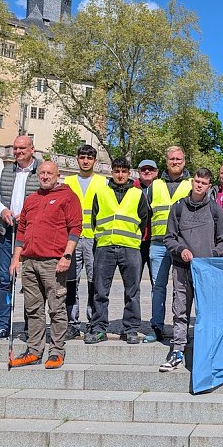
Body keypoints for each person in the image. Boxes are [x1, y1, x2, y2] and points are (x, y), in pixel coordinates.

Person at [8, 162, 82, 369]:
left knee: (56, 308)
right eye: (42, 173)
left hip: (53, 262)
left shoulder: (68, 197)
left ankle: (57, 351)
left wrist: (66, 255)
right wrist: (16, 258)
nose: (45, 176)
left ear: (58, 175)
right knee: (33, 309)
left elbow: (75, 228)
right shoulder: (31, 199)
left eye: (50, 173)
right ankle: (34, 350)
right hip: (30, 261)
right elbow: (21, 231)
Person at [162, 167, 223, 371]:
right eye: (197, 181)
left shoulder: (215, 209)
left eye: (204, 183)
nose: (200, 185)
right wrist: (181, 249)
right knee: (180, 311)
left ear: (209, 186)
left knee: (206, 313)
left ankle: (205, 352)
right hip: (182, 269)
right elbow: (169, 238)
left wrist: (211, 256)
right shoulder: (178, 207)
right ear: (192, 182)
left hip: (206, 272)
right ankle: (177, 350)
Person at [85, 157, 151, 344]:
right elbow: (94, 219)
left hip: (130, 248)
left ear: (129, 173)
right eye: (117, 171)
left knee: (132, 291)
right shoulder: (101, 192)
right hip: (105, 247)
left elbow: (143, 220)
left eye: (124, 171)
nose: (120, 174)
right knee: (100, 291)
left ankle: (130, 329)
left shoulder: (138, 194)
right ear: (112, 172)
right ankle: (98, 328)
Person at [0, 135, 40, 342]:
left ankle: (30, 326)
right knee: (5, 280)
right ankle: (3, 324)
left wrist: (27, 215)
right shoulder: (7, 171)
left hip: (32, 235)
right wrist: (3, 210)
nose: (18, 152)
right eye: (15, 149)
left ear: (32, 149)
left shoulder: (40, 170)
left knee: (31, 282)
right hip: (8, 232)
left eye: (22, 148)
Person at [146, 146, 193, 343]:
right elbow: (145, 214)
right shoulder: (154, 186)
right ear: (166, 162)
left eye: (179, 159)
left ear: (184, 162)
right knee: (158, 286)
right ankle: (157, 325)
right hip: (158, 245)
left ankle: (179, 328)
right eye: (172, 159)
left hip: (183, 246)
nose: (175, 162)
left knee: (182, 288)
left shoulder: (192, 184)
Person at [62, 145, 107, 340]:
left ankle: (92, 320)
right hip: (72, 238)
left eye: (89, 158)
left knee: (93, 281)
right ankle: (71, 322)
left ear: (95, 161)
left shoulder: (102, 182)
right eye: (82, 157)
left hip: (93, 238)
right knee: (71, 281)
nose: (86, 161)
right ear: (77, 160)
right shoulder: (68, 181)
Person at [136, 159, 159, 281]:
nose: (147, 171)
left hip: (156, 240)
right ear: (138, 172)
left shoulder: (162, 188)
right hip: (137, 241)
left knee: (157, 282)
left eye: (150, 169)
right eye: (143, 169)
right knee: (133, 281)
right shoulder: (131, 188)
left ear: (156, 172)